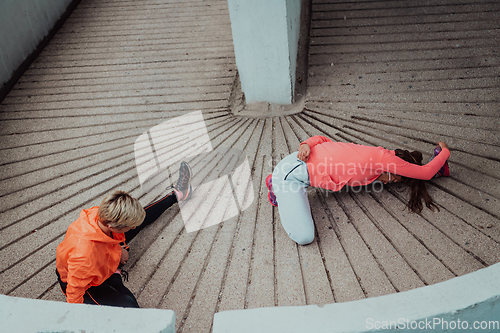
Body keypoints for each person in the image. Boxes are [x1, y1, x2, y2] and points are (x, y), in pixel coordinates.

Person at [266, 136, 450, 245]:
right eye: (394, 177)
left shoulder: (375, 168)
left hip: (300, 176)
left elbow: (325, 141)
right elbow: (425, 173)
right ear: (394, 168)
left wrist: (438, 170)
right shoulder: (384, 159)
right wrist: (444, 151)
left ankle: (282, 190)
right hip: (289, 175)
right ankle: (275, 187)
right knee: (304, 237)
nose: (391, 181)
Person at [56, 161, 192, 307]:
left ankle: (177, 195)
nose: (133, 227)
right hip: (87, 283)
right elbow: (74, 293)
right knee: (130, 305)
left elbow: (113, 236)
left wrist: (118, 249)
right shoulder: (84, 257)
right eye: (129, 227)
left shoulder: (102, 213)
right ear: (112, 226)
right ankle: (115, 275)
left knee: (139, 219)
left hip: (100, 256)